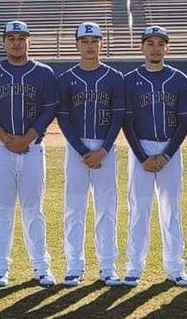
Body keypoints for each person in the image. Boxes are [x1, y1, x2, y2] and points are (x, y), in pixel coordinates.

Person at [0, 20, 59, 287]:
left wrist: (27, 138)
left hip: (33, 148)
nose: (16, 42)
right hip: (0, 149)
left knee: (34, 209)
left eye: (21, 37)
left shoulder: (43, 72)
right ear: (3, 43)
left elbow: (49, 109)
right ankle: (0, 267)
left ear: (29, 42)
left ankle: (41, 266)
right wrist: (5, 138)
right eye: (11, 38)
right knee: (2, 209)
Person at [121, 25, 187, 288]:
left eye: (160, 43)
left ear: (167, 48)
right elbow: (126, 122)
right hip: (140, 149)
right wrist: (142, 156)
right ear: (141, 47)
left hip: (169, 151)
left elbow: (184, 122)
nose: (155, 47)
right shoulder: (129, 79)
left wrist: (166, 155)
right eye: (149, 43)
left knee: (171, 211)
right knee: (139, 210)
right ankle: (134, 267)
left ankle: (175, 267)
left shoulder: (179, 79)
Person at [56, 22, 125, 287]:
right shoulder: (66, 78)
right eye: (84, 41)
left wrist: (104, 149)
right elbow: (63, 118)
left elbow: (118, 117)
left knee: (106, 209)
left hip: (105, 148)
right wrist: (84, 151)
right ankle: (74, 264)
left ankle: (107, 266)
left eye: (94, 40)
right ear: (77, 45)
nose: (89, 45)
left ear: (101, 44)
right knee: (74, 208)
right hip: (77, 149)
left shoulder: (114, 77)